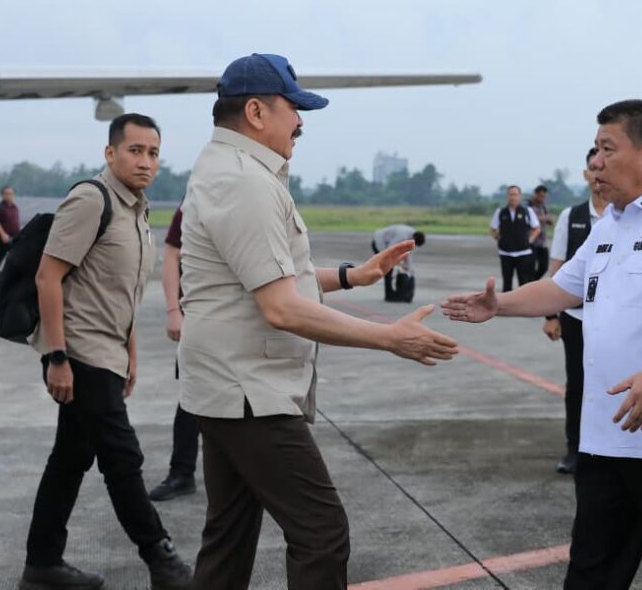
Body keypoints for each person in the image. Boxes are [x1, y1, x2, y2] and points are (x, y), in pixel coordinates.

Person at [179, 53, 458, 590]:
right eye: (293, 108)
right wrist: (389, 337)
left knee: (228, 538)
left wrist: (353, 276)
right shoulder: (244, 182)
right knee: (321, 534)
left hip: (226, 386)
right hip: (249, 391)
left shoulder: (227, 168)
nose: (300, 122)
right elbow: (281, 307)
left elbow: (267, 277)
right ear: (256, 112)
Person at [445, 99, 642, 590]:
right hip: (607, 435)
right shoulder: (609, 225)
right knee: (592, 571)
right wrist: (498, 305)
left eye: (608, 149)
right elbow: (563, 288)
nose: (596, 163)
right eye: (595, 150)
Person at [23, 114, 193, 590]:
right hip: (79, 351)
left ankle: (42, 564)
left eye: (153, 153)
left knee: (71, 457)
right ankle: (163, 560)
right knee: (122, 455)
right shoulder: (91, 200)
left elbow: (119, 290)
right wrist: (57, 357)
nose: (145, 162)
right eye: (135, 150)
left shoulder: (137, 210)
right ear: (110, 152)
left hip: (107, 351)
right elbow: (48, 277)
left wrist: (130, 350)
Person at [542, 148, 607, 474]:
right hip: (576, 316)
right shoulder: (571, 216)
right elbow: (557, 267)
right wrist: (550, 315)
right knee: (578, 384)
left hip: (614, 319)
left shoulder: (626, 215)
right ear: (585, 175)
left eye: (603, 166)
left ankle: (609, 450)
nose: (598, 175)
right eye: (592, 169)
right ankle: (575, 448)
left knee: (614, 382)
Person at [148, 205, 200, 502]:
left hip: (238, 319)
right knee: (191, 397)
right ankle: (182, 472)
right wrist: (173, 310)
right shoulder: (194, 200)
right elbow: (172, 256)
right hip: (196, 316)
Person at [489, 185, 540, 292]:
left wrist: (530, 240)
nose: (512, 197)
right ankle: (506, 302)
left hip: (523, 253)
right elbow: (493, 229)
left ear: (520, 196)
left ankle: (523, 302)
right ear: (507, 196)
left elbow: (536, 228)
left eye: (515, 194)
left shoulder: (527, 211)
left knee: (524, 283)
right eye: (510, 194)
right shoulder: (500, 212)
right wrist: (498, 238)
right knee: (507, 283)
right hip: (505, 253)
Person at [372, 224, 426, 302]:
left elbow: (409, 253)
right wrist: (400, 263)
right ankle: (389, 295)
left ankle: (391, 293)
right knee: (388, 269)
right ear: (414, 239)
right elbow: (390, 249)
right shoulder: (402, 236)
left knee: (391, 267)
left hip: (388, 243)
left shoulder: (413, 235)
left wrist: (409, 268)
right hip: (379, 242)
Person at [528, 184, 553, 279]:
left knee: (544, 266)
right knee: (530, 267)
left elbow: (549, 219)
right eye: (541, 196)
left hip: (542, 242)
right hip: (531, 241)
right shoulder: (528, 205)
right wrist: (542, 218)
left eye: (544, 197)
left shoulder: (543, 206)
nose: (543, 198)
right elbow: (528, 218)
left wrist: (548, 219)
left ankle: (533, 282)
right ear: (535, 194)